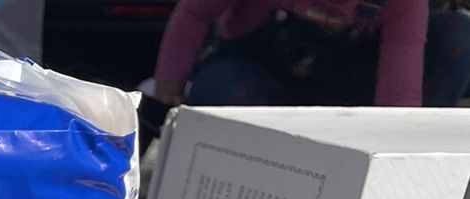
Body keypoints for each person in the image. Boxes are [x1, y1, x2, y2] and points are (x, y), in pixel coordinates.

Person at [150, 0, 470, 109]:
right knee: (226, 94)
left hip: (339, 89)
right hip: (252, 72)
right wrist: (169, 81)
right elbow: (194, 13)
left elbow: (399, 96)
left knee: (458, 35)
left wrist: (392, 143)